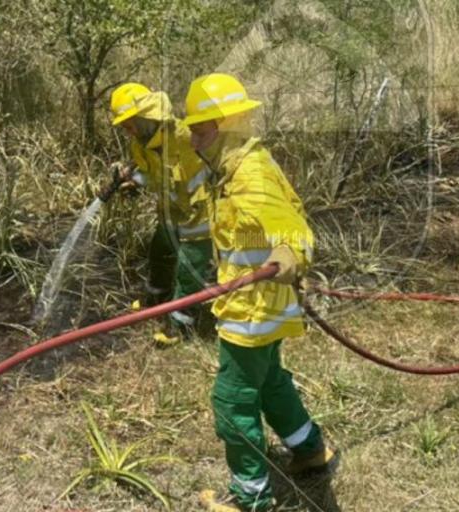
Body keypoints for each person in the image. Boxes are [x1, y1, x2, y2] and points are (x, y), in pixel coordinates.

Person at [181, 73, 336, 511]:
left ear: (226, 126)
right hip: (260, 306)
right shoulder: (233, 168)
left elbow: (292, 228)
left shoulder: (249, 173)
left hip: (251, 311)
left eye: (200, 130)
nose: (193, 140)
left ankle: (251, 499)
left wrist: (290, 253)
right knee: (269, 382)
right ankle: (310, 449)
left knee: (232, 400)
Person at [108, 83, 216, 342]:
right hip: (170, 213)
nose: (128, 132)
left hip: (200, 216)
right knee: (159, 253)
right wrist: (134, 183)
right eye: (125, 127)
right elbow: (151, 174)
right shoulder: (141, 146)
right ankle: (157, 301)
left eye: (130, 125)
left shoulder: (186, 136)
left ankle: (180, 326)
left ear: (145, 118)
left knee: (189, 269)